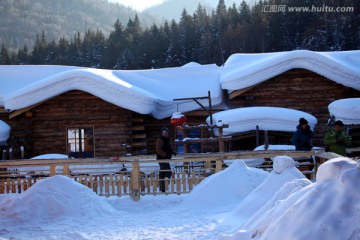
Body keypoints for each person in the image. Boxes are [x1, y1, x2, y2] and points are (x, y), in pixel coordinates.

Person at [156, 127, 176, 192]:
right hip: (162, 159)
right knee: (167, 172)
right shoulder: (160, 139)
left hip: (165, 159)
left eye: (166, 132)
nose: (165, 134)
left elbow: (167, 148)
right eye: (164, 132)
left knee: (164, 172)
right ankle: (162, 187)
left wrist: (172, 152)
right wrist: (165, 155)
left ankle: (162, 188)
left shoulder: (166, 139)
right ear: (162, 133)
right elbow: (158, 149)